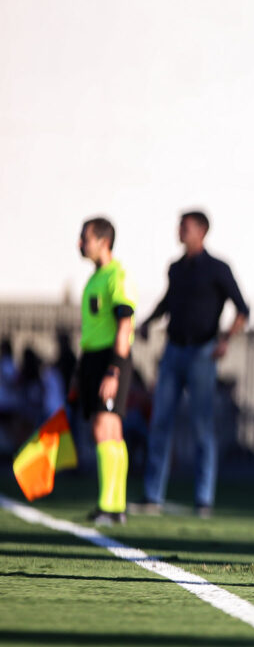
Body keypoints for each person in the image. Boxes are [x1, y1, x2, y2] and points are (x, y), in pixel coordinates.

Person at [135, 211, 249, 517]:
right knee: (160, 423)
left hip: (202, 354)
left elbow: (242, 309)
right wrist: (147, 322)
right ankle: (152, 496)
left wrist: (226, 339)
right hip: (173, 352)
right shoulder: (176, 268)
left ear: (202, 231)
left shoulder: (217, 268)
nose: (180, 231)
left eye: (185, 227)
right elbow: (167, 302)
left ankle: (203, 499)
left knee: (202, 427)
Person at [75, 217, 137, 525]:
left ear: (103, 241)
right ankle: (115, 507)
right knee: (110, 430)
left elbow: (125, 322)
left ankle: (108, 506)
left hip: (110, 359)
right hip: (93, 359)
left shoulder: (116, 275)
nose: (80, 243)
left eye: (85, 238)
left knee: (105, 427)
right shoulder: (95, 278)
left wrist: (114, 369)